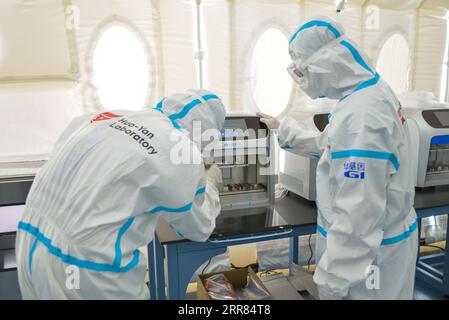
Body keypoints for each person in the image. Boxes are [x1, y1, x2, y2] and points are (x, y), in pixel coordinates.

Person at [258, 17, 418, 300]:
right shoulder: (366, 94)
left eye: (303, 71)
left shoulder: (363, 114)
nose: (302, 80)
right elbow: (332, 144)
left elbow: (359, 213)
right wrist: (283, 129)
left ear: (325, 65)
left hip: (368, 260)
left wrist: (332, 281)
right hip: (379, 245)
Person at [15, 89, 225, 299]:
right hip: (89, 261)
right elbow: (199, 227)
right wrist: (211, 181)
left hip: (30, 238)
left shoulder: (110, 116)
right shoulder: (181, 148)